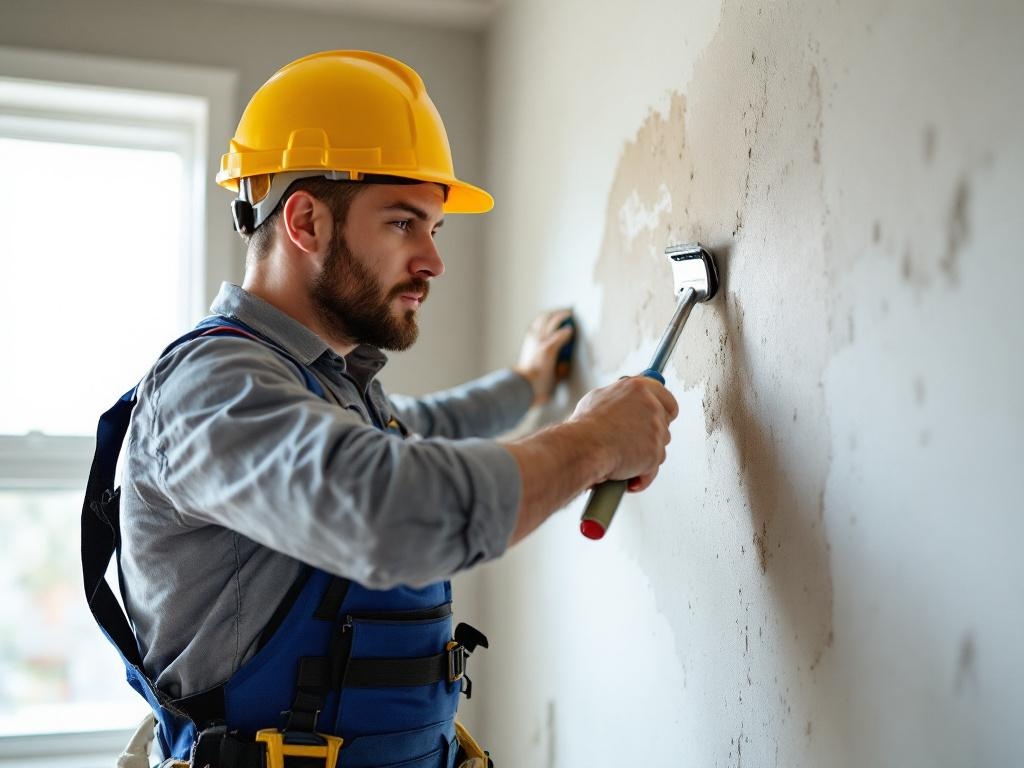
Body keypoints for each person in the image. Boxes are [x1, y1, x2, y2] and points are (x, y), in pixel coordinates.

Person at [83, 50, 677, 768]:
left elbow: (424, 429)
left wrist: (527, 382)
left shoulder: (326, 383)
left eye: (434, 228)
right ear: (305, 220)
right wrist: (594, 442)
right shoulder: (212, 387)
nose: (433, 260)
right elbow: (392, 509)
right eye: (403, 223)